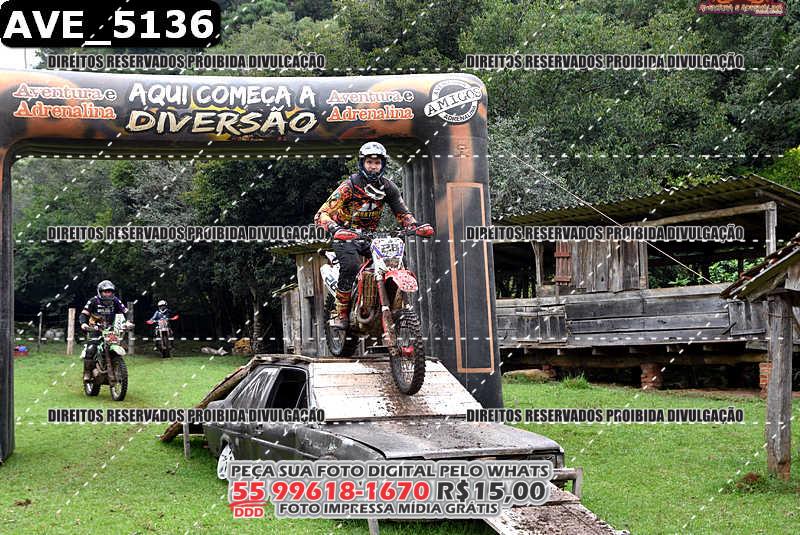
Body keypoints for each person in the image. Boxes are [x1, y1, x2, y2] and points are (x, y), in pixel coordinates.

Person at [314, 141, 434, 329]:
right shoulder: (349, 186)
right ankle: (341, 313)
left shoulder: (388, 187)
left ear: (383, 165)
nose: (373, 167)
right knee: (351, 266)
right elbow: (321, 214)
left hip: (371, 238)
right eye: (369, 162)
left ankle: (391, 306)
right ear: (362, 163)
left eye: (377, 163)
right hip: (345, 236)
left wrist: (415, 226)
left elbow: (403, 213)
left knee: (397, 261)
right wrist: (335, 229)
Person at [78, 280, 129, 382]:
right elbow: (84, 314)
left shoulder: (116, 301)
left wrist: (128, 322)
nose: (108, 294)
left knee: (121, 345)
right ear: (100, 292)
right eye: (105, 292)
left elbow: (125, 312)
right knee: (91, 349)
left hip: (111, 329)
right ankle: (87, 372)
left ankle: (116, 366)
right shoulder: (93, 301)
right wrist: (83, 323)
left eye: (110, 292)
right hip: (95, 329)